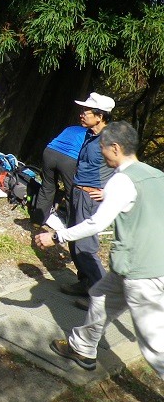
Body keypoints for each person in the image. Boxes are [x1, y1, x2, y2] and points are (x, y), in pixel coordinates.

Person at [34, 121, 164, 378]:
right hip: (129, 266)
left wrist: (57, 236)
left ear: (115, 148)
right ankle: (82, 348)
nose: (100, 153)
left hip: (142, 273)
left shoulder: (122, 181)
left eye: (102, 148)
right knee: (101, 299)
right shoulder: (155, 175)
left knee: (155, 346)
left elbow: (95, 224)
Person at [60, 92, 115, 300]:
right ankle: (85, 284)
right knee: (74, 241)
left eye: (86, 111)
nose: (81, 114)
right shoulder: (90, 135)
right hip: (77, 192)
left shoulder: (111, 140)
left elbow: (125, 168)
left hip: (90, 197)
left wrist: (108, 192)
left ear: (99, 116)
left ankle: (101, 298)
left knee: (85, 247)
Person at [31, 124, 88, 227]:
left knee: (47, 186)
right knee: (71, 193)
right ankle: (71, 227)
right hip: (69, 158)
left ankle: (37, 220)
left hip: (50, 152)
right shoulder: (92, 135)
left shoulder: (72, 127)